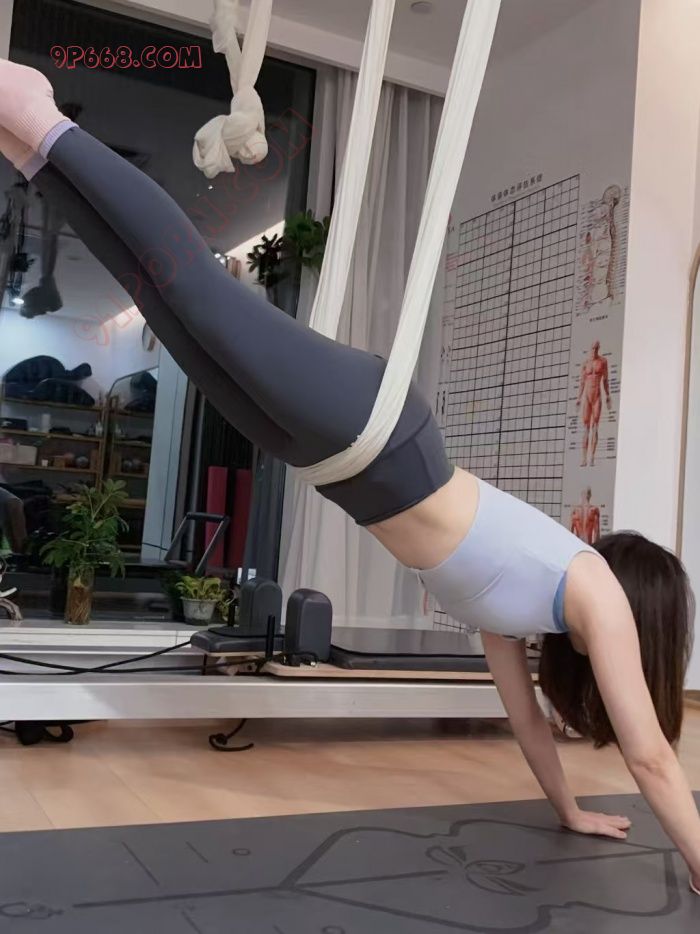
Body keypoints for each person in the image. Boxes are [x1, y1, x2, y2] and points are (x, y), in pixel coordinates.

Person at [0, 59, 698, 893]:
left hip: (332, 461)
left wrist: (571, 810)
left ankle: (30, 152)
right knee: (197, 291)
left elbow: (525, 723)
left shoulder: (524, 615)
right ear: (647, 617)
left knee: (168, 311)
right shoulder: (595, 590)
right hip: (380, 434)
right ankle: (40, 116)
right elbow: (653, 758)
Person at [577, 340, 612, 467]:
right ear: (590, 348)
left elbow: (605, 381)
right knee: (586, 428)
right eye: (593, 348)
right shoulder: (585, 363)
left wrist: (607, 395)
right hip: (587, 397)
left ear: (599, 348)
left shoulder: (603, 362)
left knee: (595, 427)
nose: (594, 350)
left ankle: (592, 457)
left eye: (596, 348)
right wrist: (578, 398)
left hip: (597, 396)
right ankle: (583, 458)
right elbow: (582, 382)